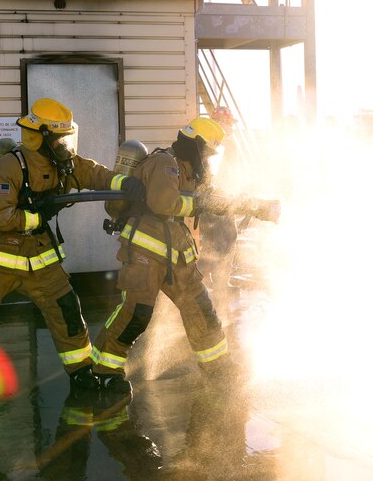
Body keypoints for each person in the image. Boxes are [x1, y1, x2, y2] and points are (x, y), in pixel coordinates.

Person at [0, 98, 145, 396]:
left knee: (67, 310)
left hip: (39, 257)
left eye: (66, 138)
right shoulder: (9, 168)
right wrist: (37, 216)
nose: (65, 144)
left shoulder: (62, 162)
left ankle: (81, 370)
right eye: (60, 138)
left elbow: (92, 172)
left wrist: (122, 182)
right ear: (43, 136)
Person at [91, 116, 280, 393]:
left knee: (201, 311)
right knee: (136, 314)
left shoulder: (191, 172)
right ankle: (103, 371)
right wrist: (199, 203)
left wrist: (254, 206)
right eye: (207, 152)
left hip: (177, 254)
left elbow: (215, 200)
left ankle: (219, 369)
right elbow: (163, 203)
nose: (209, 158)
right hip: (145, 251)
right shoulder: (164, 163)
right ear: (195, 145)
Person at [198, 106, 241, 307]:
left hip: (225, 204)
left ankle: (220, 283)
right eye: (228, 123)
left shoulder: (227, 146)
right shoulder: (213, 146)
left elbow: (234, 174)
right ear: (219, 123)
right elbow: (209, 179)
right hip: (214, 207)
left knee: (226, 243)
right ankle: (202, 285)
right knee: (214, 247)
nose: (231, 128)